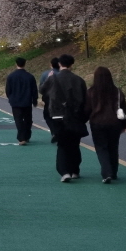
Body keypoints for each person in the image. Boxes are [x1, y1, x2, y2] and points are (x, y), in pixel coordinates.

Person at [40, 54, 90, 182]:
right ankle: (75, 170)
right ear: (72, 64)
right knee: (75, 144)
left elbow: (42, 91)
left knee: (62, 144)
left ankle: (64, 171)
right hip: (75, 116)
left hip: (58, 115)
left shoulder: (53, 78)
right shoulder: (78, 80)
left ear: (59, 64)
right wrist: (83, 117)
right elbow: (85, 100)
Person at [88, 66, 126, 183]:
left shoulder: (91, 92)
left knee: (101, 148)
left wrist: (82, 119)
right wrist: (124, 124)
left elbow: (87, 109)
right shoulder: (117, 92)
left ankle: (107, 173)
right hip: (115, 123)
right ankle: (114, 172)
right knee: (113, 147)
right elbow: (124, 109)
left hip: (97, 123)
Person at [5, 57, 39, 145]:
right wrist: (34, 100)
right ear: (25, 64)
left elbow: (8, 90)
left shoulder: (11, 76)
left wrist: (10, 98)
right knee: (28, 120)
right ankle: (27, 136)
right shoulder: (30, 76)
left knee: (18, 119)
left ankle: (21, 138)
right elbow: (34, 89)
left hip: (15, 102)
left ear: (16, 64)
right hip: (27, 101)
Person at [39, 57, 61, 142]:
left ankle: (54, 131)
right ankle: (59, 131)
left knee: (48, 115)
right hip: (61, 98)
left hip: (48, 98)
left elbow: (41, 87)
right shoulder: (62, 74)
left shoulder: (45, 74)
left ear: (51, 65)